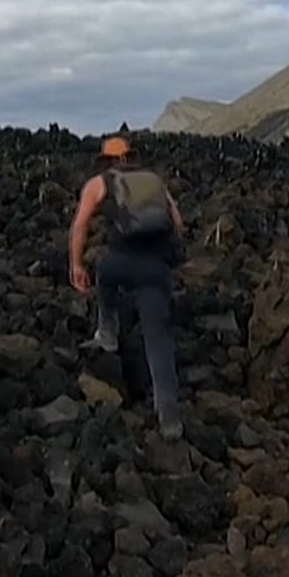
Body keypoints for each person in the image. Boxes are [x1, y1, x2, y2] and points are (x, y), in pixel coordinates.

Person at [68, 134, 187, 439]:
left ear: (105, 160)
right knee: (158, 339)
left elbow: (80, 225)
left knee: (104, 272)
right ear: (131, 156)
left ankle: (107, 334)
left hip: (120, 264)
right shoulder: (154, 181)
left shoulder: (99, 183)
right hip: (155, 269)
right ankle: (169, 417)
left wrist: (76, 265)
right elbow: (178, 223)